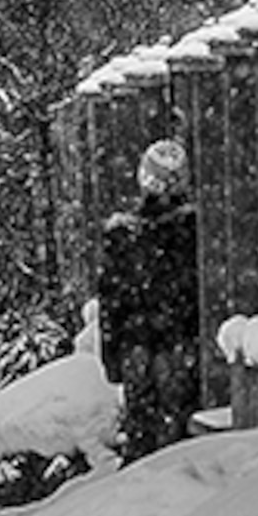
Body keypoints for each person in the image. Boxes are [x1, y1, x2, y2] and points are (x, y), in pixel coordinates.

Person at [97, 137, 202, 461]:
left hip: (139, 344)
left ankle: (143, 480)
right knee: (178, 430)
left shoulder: (124, 234)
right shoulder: (195, 228)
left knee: (144, 428)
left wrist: (112, 354)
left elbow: (111, 300)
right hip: (179, 342)